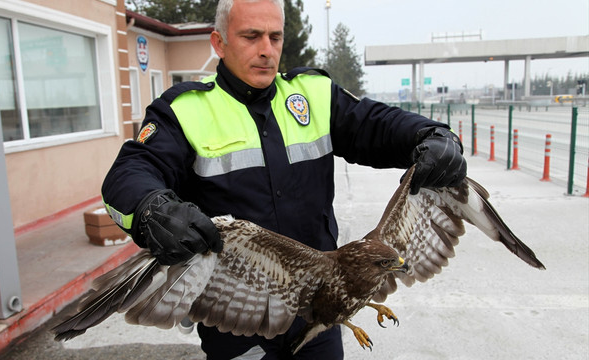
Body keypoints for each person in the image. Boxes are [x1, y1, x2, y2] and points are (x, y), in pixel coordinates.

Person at [101, 0, 466, 358]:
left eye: (275, 37)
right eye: (251, 36)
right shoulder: (185, 110)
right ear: (219, 43)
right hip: (238, 315)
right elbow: (132, 172)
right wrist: (151, 208)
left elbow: (376, 124)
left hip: (320, 309)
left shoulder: (312, 94)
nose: (266, 50)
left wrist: (431, 134)